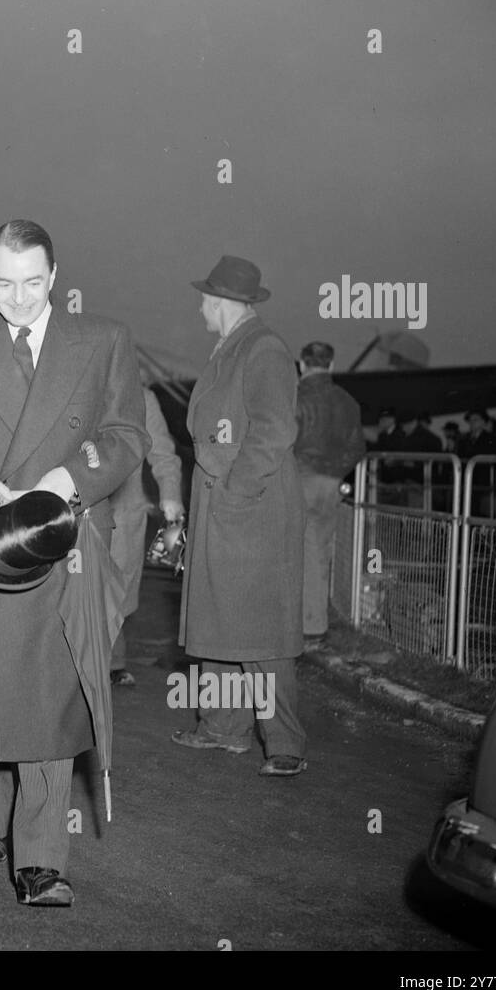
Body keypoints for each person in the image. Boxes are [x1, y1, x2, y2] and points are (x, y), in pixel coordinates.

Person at [0, 218, 147, 906]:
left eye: (33, 282)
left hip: (61, 537)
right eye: (4, 284)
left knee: (48, 697)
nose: (18, 298)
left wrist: (64, 480)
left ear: (55, 277)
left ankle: (42, 859)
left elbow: (125, 433)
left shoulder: (103, 341)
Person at [171, 256, 306, 777]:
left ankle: (285, 742)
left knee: (259, 625)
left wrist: (235, 492)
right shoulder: (233, 347)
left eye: (206, 296)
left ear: (222, 301)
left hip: (251, 502)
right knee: (219, 614)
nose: (201, 304)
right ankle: (224, 728)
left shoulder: (264, 348)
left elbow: (274, 430)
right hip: (224, 499)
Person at [108, 385, 183, 687]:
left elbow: (163, 452)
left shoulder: (142, 398)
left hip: (123, 512)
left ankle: (112, 663)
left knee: (118, 593)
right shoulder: (70, 384)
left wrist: (171, 495)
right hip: (74, 510)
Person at [293, 341, 365, 650]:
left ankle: (291, 626)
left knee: (288, 554)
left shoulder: (293, 397)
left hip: (295, 479)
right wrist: (334, 471)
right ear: (332, 365)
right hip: (330, 484)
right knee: (319, 554)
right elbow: (358, 447)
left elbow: (280, 440)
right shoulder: (347, 401)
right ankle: (314, 627)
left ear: (301, 363)